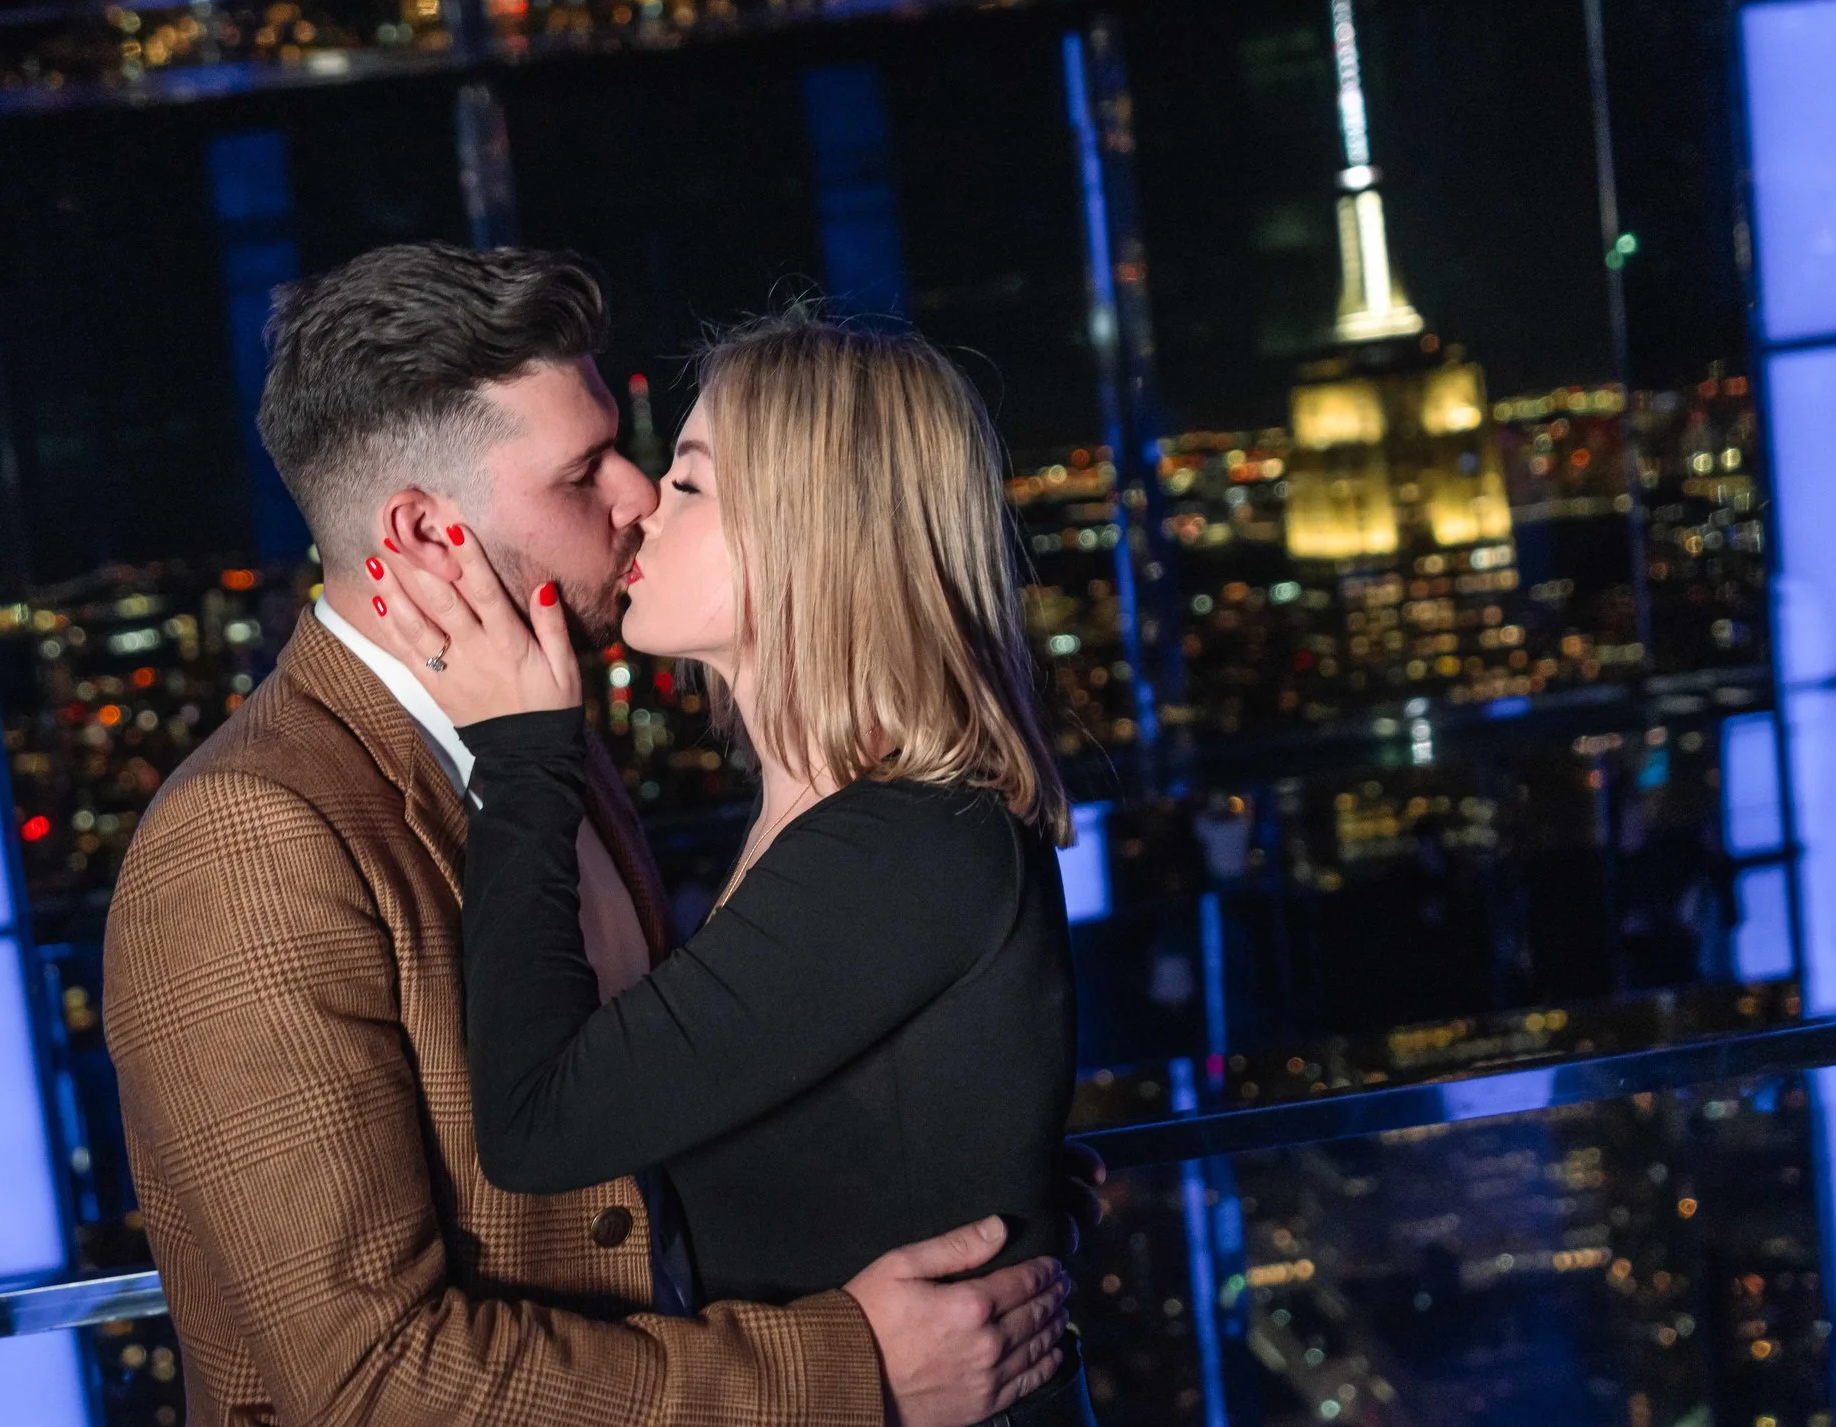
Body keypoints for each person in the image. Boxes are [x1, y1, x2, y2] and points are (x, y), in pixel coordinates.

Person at [104, 245, 1080, 1427]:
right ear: (425, 533)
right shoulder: (250, 838)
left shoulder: (549, 744)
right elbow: (364, 1382)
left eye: (647, 460)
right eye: (583, 472)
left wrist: (982, 1169)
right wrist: (842, 1367)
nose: (636, 495)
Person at [362, 312, 1094, 1426]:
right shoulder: (848, 825)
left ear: (810, 536)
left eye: (691, 482)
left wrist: (522, 756)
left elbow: (535, 1122)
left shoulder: (900, 844)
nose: (646, 504)